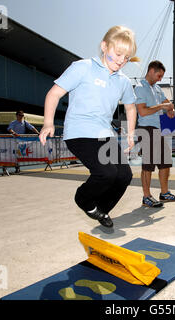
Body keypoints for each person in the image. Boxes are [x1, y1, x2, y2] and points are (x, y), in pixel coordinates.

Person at [39, 26, 138, 228]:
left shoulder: (123, 81)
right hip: (79, 132)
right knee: (107, 173)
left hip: (104, 135)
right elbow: (54, 93)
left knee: (124, 175)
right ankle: (83, 199)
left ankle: (100, 209)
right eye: (118, 54)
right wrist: (48, 122)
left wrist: (131, 132)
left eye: (126, 58)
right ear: (104, 46)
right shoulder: (82, 67)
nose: (121, 61)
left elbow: (130, 107)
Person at [134, 60, 175, 207]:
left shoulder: (157, 88)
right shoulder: (140, 87)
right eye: (159, 75)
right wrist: (162, 106)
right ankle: (146, 197)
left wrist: (170, 109)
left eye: (162, 76)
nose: (160, 79)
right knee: (148, 164)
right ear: (151, 71)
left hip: (159, 129)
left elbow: (169, 104)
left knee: (165, 162)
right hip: (146, 128)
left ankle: (164, 193)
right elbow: (142, 111)